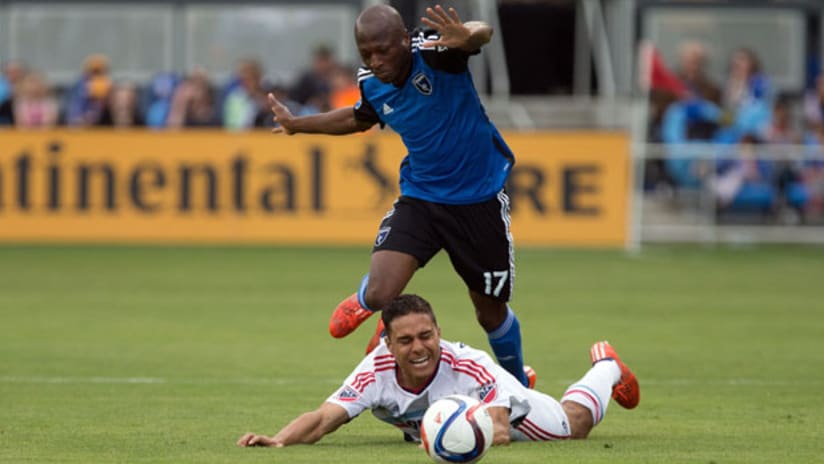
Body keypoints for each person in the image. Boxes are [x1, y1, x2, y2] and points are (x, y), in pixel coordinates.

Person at [266, 4, 532, 387]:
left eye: (383, 50)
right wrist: (297, 125)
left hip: (478, 200)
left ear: (405, 40)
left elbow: (479, 31)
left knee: (490, 313)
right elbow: (359, 117)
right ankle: (365, 300)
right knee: (381, 292)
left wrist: (470, 35)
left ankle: (518, 385)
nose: (375, 61)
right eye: (366, 53)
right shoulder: (371, 81)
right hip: (422, 198)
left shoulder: (437, 54)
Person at [237, 294, 639, 448]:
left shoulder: (468, 364)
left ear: (439, 332)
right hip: (469, 405)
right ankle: (516, 382)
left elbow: (498, 431)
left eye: (426, 336)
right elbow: (323, 419)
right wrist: (278, 441)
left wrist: (443, 440)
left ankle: (606, 366)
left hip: (505, 411)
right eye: (406, 341)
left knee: (578, 424)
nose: (419, 348)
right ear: (387, 345)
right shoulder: (373, 372)